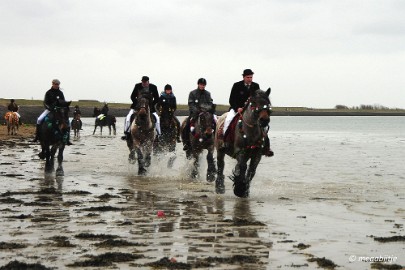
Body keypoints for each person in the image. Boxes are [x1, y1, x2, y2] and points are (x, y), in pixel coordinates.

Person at [223, 69, 273, 157]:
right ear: (244, 77)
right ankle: (225, 142)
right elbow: (231, 100)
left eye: (251, 77)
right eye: (248, 77)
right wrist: (237, 108)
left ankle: (266, 147)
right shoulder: (237, 85)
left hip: (251, 110)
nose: (250, 79)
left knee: (263, 125)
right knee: (228, 120)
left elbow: (258, 100)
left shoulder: (256, 86)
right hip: (237, 108)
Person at [32, 79, 72, 146]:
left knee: (68, 123)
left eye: (57, 84)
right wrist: (49, 108)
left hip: (59, 110)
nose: (56, 85)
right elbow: (45, 102)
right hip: (50, 109)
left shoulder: (60, 93)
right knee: (39, 119)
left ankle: (67, 139)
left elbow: (63, 101)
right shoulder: (48, 92)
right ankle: (37, 136)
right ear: (52, 84)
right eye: (55, 84)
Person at [122, 76, 160, 140]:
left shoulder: (153, 87)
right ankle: (127, 133)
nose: (144, 83)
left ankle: (158, 134)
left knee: (157, 118)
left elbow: (157, 98)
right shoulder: (137, 86)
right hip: (137, 106)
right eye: (143, 82)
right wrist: (137, 103)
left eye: (145, 82)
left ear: (148, 82)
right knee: (128, 117)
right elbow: (132, 96)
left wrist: (151, 105)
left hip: (149, 107)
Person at [182, 78, 215, 151]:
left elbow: (210, 103)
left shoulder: (208, 94)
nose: (202, 86)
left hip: (206, 114)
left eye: (203, 85)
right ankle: (186, 143)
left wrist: (206, 109)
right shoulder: (192, 93)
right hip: (195, 114)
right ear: (198, 84)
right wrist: (197, 111)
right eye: (201, 84)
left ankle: (215, 141)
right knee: (186, 126)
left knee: (215, 123)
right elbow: (191, 104)